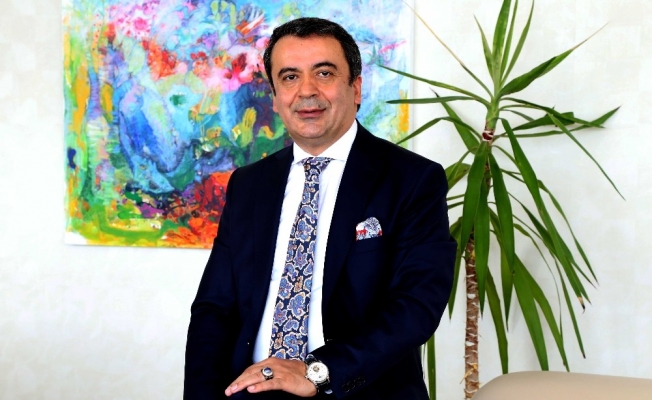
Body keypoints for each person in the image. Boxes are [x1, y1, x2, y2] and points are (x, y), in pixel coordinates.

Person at [184, 17, 456, 400]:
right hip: (252, 389)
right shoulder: (248, 184)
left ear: (355, 88)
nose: (306, 91)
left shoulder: (412, 179)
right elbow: (214, 308)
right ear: (275, 97)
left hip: (354, 390)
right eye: (290, 77)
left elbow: (416, 304)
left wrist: (318, 373)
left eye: (324, 73)